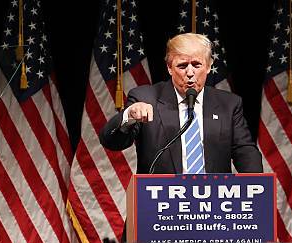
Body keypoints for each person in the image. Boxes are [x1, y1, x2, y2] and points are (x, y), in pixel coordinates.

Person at [100, 33, 263, 174]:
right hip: (161, 202)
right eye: (182, 65)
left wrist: (257, 188)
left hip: (214, 202)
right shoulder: (145, 97)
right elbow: (112, 142)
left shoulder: (229, 104)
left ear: (208, 67)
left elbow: (245, 151)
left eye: (196, 65)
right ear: (170, 68)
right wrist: (129, 116)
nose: (190, 73)